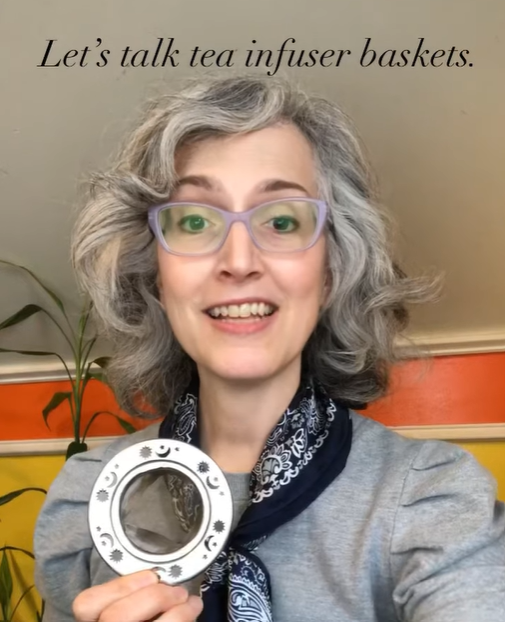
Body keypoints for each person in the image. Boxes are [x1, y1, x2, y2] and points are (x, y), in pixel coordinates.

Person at [34, 74, 505, 622]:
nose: (239, 260)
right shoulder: (87, 498)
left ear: (331, 272)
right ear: (156, 275)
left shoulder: (431, 501)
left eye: (282, 220)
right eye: (193, 220)